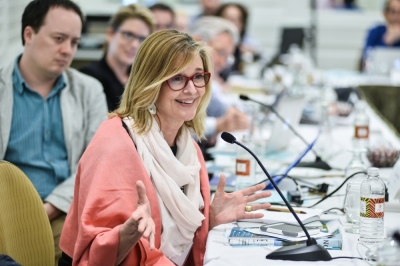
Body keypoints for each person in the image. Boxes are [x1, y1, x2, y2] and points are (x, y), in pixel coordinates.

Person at [58, 29, 271, 265]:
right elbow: (93, 255)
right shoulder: (115, 143)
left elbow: (178, 243)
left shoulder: (188, 148)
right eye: (177, 78)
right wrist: (127, 234)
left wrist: (209, 220)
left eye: (198, 76)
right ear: (151, 83)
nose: (191, 90)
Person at [0, 0, 108, 265]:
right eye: (59, 38)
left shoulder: (89, 90)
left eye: (74, 42)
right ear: (29, 34)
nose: (67, 50)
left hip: (66, 211)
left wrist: (49, 209)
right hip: (6, 215)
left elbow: (94, 163)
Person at [190, 16, 249, 150]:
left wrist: (235, 112)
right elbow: (175, 128)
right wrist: (218, 125)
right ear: (197, 41)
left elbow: (222, 106)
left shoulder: (208, 79)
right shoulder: (176, 78)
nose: (222, 63)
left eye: (228, 57)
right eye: (220, 52)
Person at [80, 4, 154, 111]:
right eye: (128, 35)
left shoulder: (142, 80)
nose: (135, 45)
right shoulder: (89, 77)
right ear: (110, 34)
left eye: (142, 39)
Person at [215, 3, 261, 75]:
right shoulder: (210, 44)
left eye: (235, 20)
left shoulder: (245, 44)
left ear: (242, 24)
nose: (230, 24)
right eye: (227, 18)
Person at [361, 0, 400, 69]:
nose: (397, 16)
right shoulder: (375, 32)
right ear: (385, 13)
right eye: (393, 12)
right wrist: (387, 41)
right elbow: (368, 59)